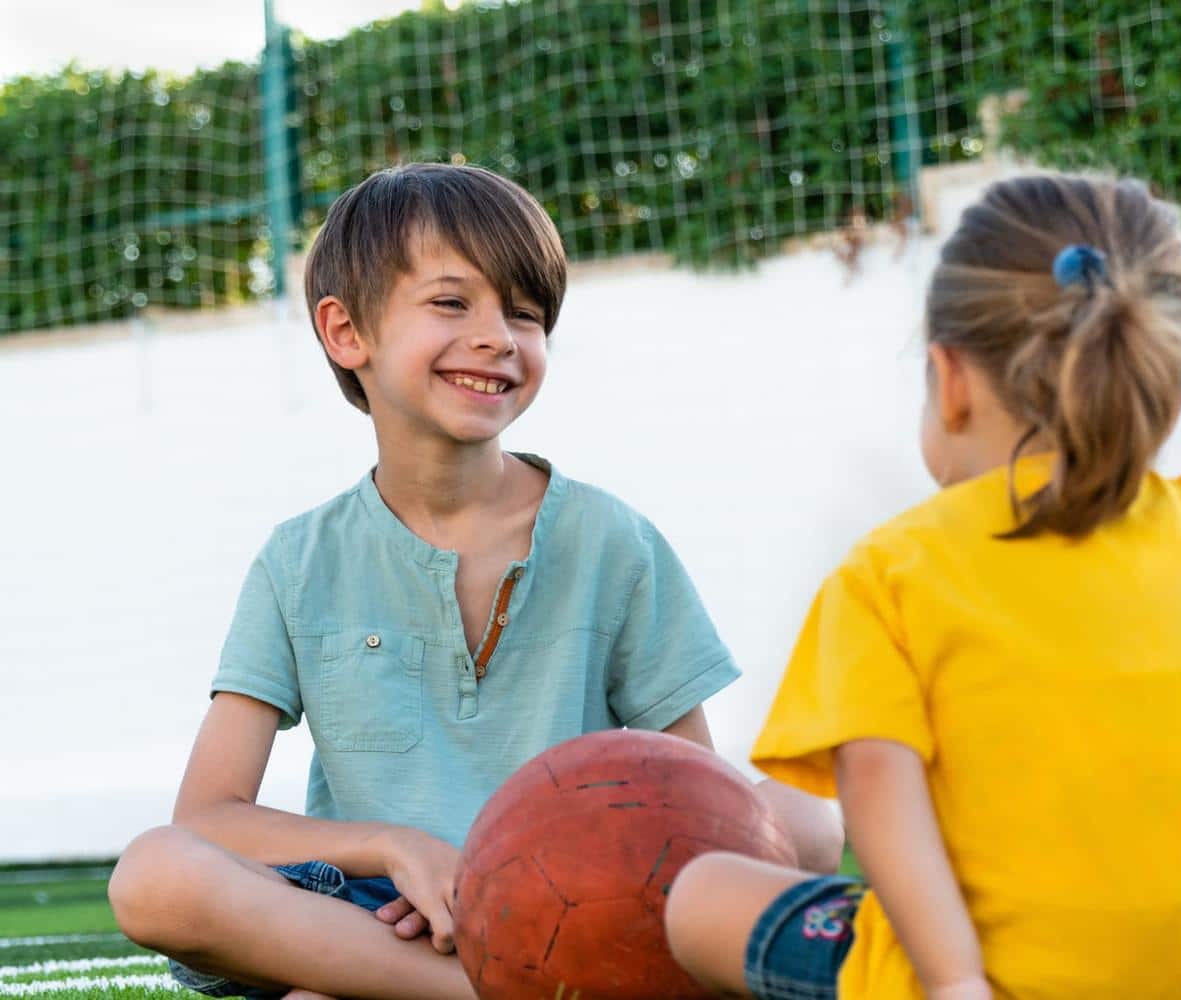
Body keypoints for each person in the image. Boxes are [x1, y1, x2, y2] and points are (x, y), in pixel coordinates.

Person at [106, 162, 841, 1000]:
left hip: (583, 895)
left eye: (524, 314)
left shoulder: (614, 540)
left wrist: (580, 888)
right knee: (154, 873)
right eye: (453, 303)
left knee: (806, 823)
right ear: (347, 333)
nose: (498, 337)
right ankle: (480, 987)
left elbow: (686, 790)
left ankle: (413, 983)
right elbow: (207, 817)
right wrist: (394, 847)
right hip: (376, 906)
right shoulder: (297, 559)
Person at [664, 174, 1181, 1000]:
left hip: (1019, 979)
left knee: (699, 897)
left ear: (950, 379)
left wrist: (955, 982)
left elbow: (875, 787)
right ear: (1163, 388)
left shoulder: (892, 568)